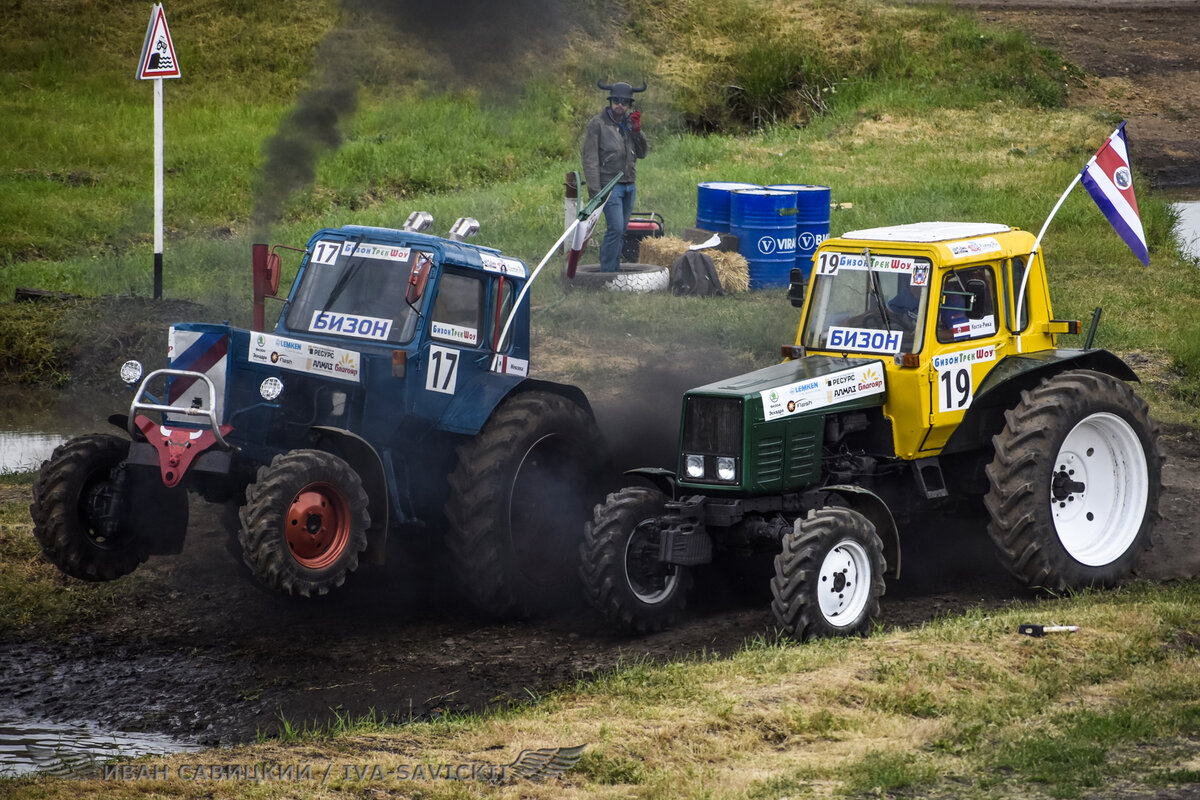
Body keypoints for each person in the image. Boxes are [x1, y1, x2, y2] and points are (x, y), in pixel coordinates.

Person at [581, 80, 649, 272]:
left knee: (622, 230)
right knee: (616, 228)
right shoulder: (598, 124)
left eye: (625, 102)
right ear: (611, 101)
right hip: (609, 185)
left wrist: (637, 131)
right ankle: (608, 272)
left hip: (630, 185)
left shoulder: (629, 124)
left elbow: (642, 153)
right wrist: (595, 191)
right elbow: (590, 158)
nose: (620, 105)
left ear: (629, 105)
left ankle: (614, 268)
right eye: (617, 101)